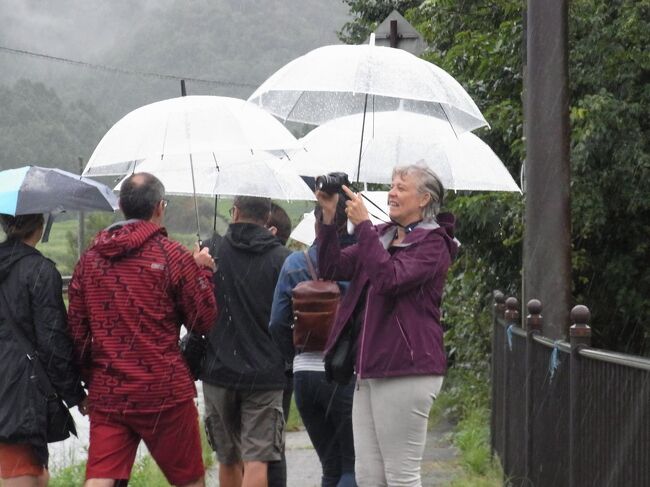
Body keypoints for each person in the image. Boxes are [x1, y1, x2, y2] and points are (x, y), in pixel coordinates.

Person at [67, 173, 217, 487]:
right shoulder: (173, 256)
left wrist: (87, 382)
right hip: (165, 390)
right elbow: (203, 320)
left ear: (121, 206)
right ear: (160, 207)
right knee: (188, 479)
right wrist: (202, 271)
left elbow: (78, 334)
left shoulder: (89, 261)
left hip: (110, 392)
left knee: (100, 479)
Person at [316, 163, 458, 487]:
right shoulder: (382, 235)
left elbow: (389, 279)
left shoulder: (434, 244)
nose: (392, 193)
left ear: (424, 199)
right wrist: (328, 215)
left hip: (407, 368)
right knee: (369, 476)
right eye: (392, 185)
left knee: (401, 476)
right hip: (369, 368)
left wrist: (363, 225)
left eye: (401, 187)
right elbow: (331, 265)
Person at [201, 196, 290, 487]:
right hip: (265, 374)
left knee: (227, 460)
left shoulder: (212, 251)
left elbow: (196, 307)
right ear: (267, 219)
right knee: (257, 462)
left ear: (235, 213)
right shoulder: (282, 258)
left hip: (218, 371)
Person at [269, 198, 357, 487]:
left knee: (330, 466)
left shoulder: (295, 262)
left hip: (305, 375)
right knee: (351, 466)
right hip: (346, 374)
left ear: (317, 223)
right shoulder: (358, 263)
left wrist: (294, 358)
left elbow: (278, 322)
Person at [0, 214, 86, 487]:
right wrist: (76, 395)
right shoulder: (39, 271)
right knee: (24, 471)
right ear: (39, 226)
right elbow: (53, 346)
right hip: (20, 390)